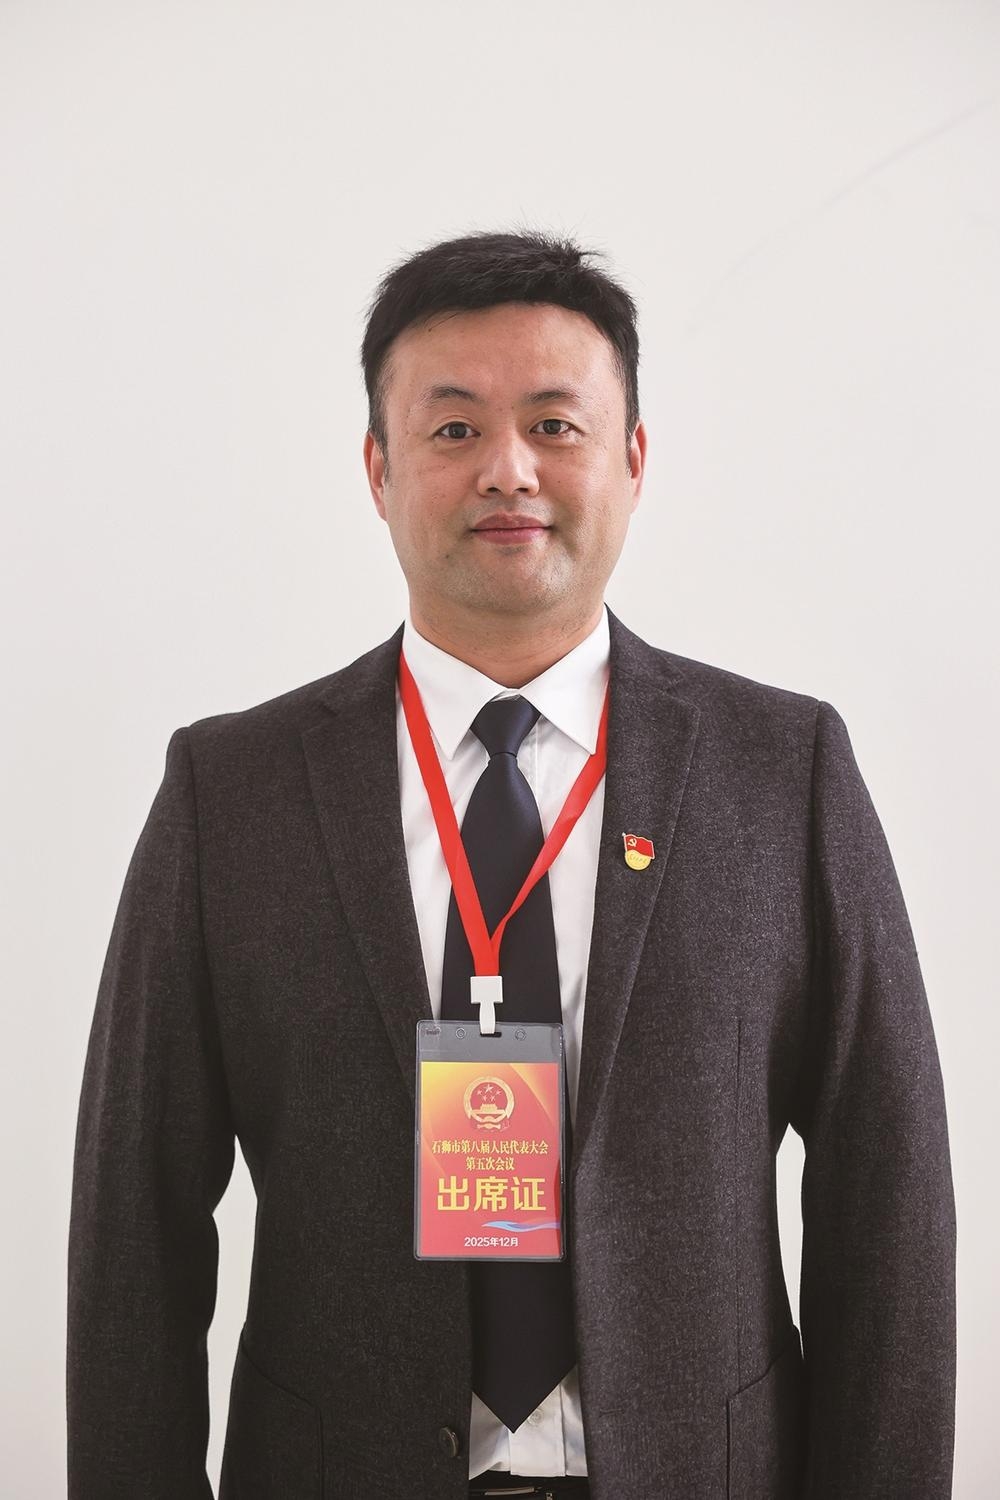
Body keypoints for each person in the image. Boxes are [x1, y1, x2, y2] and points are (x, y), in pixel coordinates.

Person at [67, 229, 957, 1500]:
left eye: (553, 425)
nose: (508, 470)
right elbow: (133, 1228)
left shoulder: (782, 771)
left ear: (632, 460)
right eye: (453, 430)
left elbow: (890, 1200)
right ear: (377, 469)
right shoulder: (231, 792)